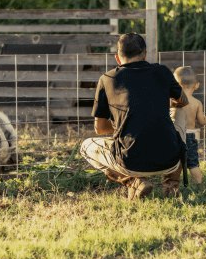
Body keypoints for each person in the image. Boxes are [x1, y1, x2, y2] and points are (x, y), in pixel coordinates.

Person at [79, 33, 189, 200]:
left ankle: (134, 182)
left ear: (117, 57)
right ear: (145, 54)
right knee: (180, 112)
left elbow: (100, 129)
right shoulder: (162, 71)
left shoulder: (106, 79)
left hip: (129, 162)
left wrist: (126, 123)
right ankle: (171, 182)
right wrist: (160, 106)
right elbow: (183, 101)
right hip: (169, 159)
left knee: (85, 147)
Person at [172, 66, 206, 186]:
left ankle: (172, 185)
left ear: (176, 84)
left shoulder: (172, 100)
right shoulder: (197, 103)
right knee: (192, 164)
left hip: (174, 135)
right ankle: (199, 185)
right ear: (196, 85)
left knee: (174, 163)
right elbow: (202, 122)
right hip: (189, 137)